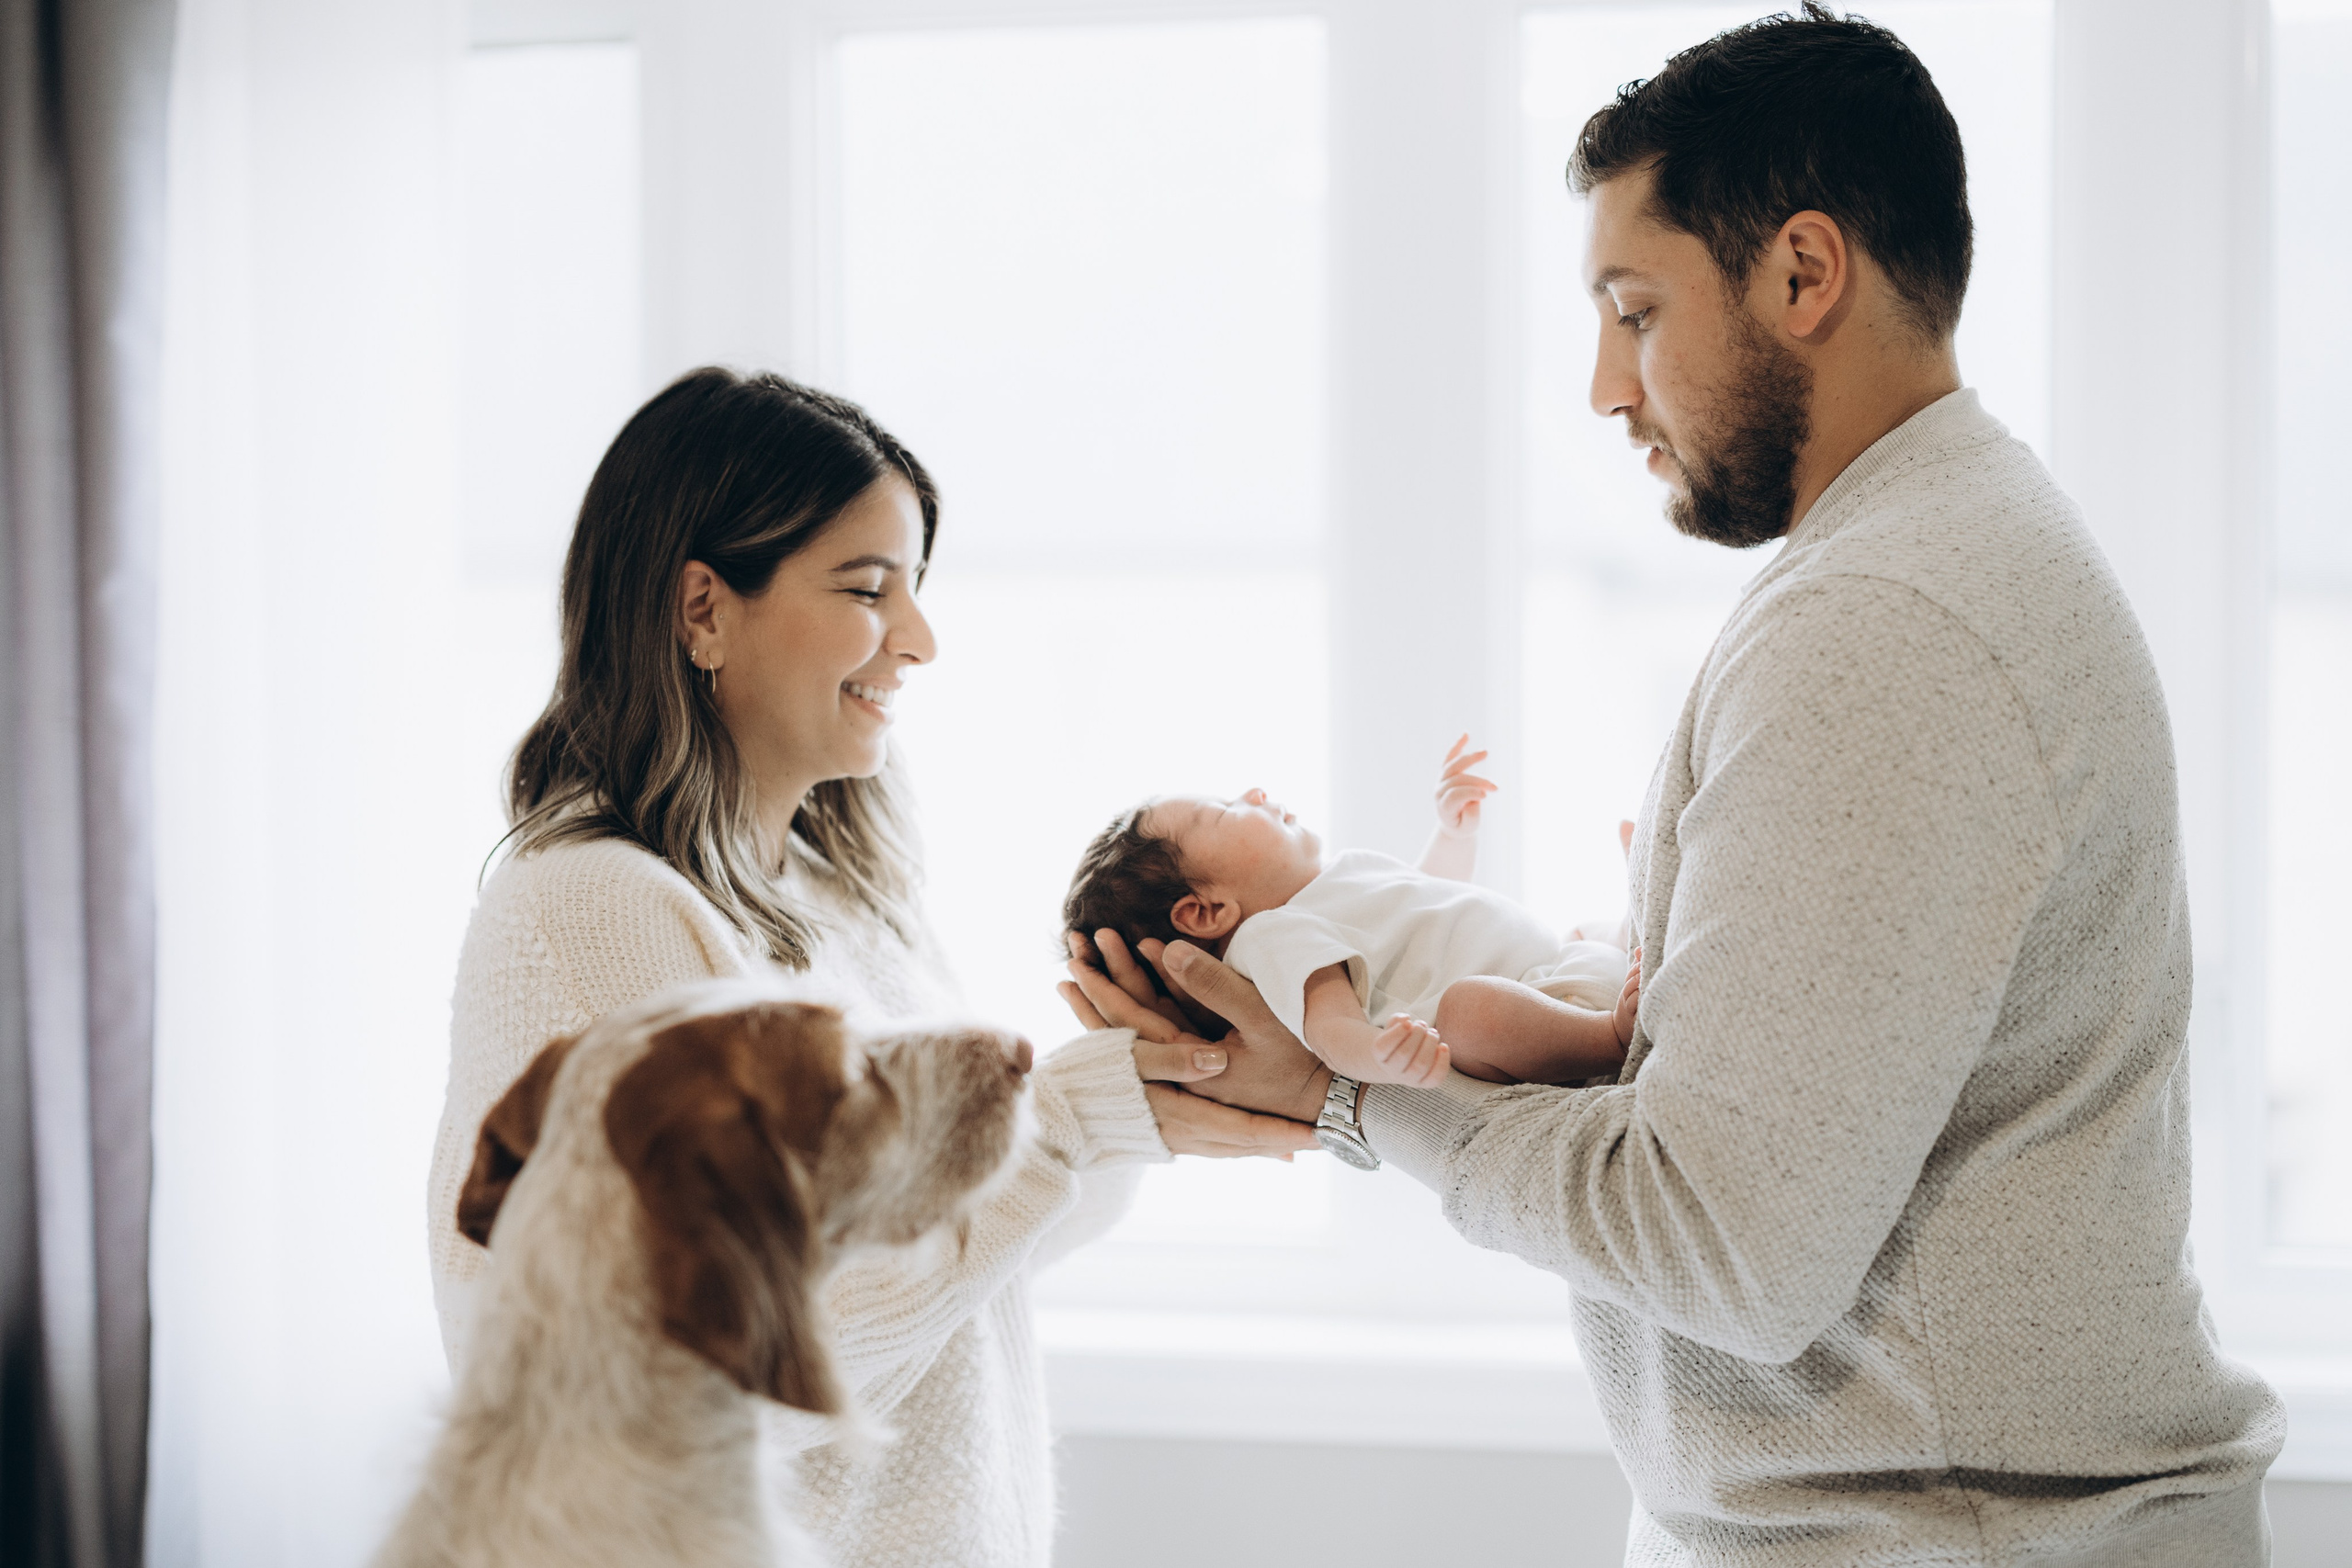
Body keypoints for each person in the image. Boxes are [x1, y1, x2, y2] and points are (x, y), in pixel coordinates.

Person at [1066, 7, 2286, 1563]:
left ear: (1801, 274)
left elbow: (1725, 1244)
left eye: (1632, 309)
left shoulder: (1885, 621)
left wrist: (1348, 1101)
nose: (1601, 386)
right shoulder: (1942, 554)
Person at [424, 367, 1313, 1568]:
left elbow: (963, 1257)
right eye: (866, 587)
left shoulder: (843, 894)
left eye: (919, 587)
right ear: (701, 609)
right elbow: (729, 1354)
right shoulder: (589, 910)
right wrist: (1060, 1121)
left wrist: (1134, 1092)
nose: (921, 637)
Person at [1060, 739, 1637, 1088]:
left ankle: (1629, 934)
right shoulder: (1272, 937)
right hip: (1530, 1023)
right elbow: (1330, 1029)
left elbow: (1428, 896)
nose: (1254, 793)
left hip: (1557, 971)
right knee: (1467, 1011)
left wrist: (1452, 832)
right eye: (1223, 811)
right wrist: (1382, 1059)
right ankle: (1611, 1038)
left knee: (1589, 931)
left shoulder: (1337, 881)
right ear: (1207, 911)